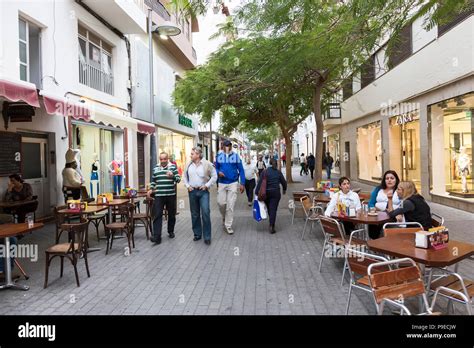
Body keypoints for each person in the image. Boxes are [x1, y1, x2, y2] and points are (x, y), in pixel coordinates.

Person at [183, 147, 217, 245]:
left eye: (192, 153)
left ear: (198, 155)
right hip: (192, 191)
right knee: (194, 214)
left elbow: (214, 176)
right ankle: (197, 234)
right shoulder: (188, 164)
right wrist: (187, 186)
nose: (191, 155)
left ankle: (207, 236)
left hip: (203, 192)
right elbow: (184, 176)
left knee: (205, 212)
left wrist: (207, 185)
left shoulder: (207, 164)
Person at [147, 152, 181, 245]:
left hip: (170, 194)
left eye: (164, 159)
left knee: (171, 214)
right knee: (157, 215)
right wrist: (151, 189)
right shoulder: (155, 168)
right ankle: (157, 237)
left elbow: (178, 179)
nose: (163, 161)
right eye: (161, 159)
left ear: (167, 159)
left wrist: (173, 176)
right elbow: (153, 181)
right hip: (159, 195)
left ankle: (170, 231)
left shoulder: (173, 167)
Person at [215, 140, 245, 235]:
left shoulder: (235, 156)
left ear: (231, 147)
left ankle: (228, 225)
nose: (227, 147)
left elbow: (241, 169)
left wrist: (242, 183)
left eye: (229, 146)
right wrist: (218, 172)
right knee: (221, 203)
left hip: (233, 183)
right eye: (225, 146)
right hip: (222, 183)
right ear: (223, 147)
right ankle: (224, 216)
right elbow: (214, 168)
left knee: (230, 205)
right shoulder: (219, 156)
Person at [256, 158, 287, 234]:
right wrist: (284, 189)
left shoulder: (264, 172)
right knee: (273, 209)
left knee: (270, 208)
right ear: (276, 164)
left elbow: (260, 183)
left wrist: (257, 192)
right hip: (275, 193)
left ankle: (271, 222)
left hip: (265, 193)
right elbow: (284, 182)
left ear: (269, 163)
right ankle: (271, 225)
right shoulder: (278, 172)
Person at [368, 170, 401, 239]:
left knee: (385, 226)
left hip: (393, 216)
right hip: (378, 215)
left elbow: (403, 202)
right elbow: (371, 203)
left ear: (396, 180)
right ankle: (374, 243)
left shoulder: (400, 190)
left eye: (392, 178)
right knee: (372, 224)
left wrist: (400, 213)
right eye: (387, 178)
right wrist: (372, 208)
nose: (389, 180)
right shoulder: (378, 189)